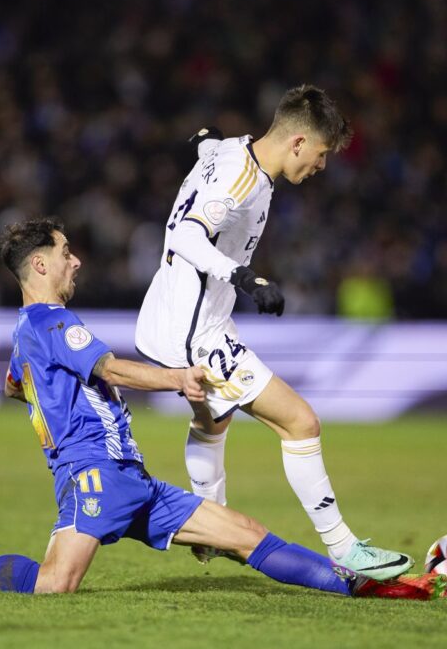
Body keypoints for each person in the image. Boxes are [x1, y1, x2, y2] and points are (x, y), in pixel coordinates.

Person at [0, 218, 444, 600]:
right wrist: (177, 377)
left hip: (132, 480)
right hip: (96, 476)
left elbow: (14, 385)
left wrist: (44, 402)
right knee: (55, 585)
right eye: (65, 253)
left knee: (245, 534)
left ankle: (366, 589)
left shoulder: (26, 332)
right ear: (39, 265)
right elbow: (110, 368)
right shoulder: (49, 319)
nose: (76, 262)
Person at [134, 85, 412, 578]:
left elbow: (205, 145)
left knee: (210, 422)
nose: (321, 167)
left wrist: (204, 139)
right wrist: (243, 276)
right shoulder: (241, 179)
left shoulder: (230, 151)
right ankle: (345, 548)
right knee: (300, 423)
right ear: (299, 142)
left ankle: (209, 526)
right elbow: (187, 233)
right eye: (321, 155)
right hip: (196, 329)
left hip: (172, 314)